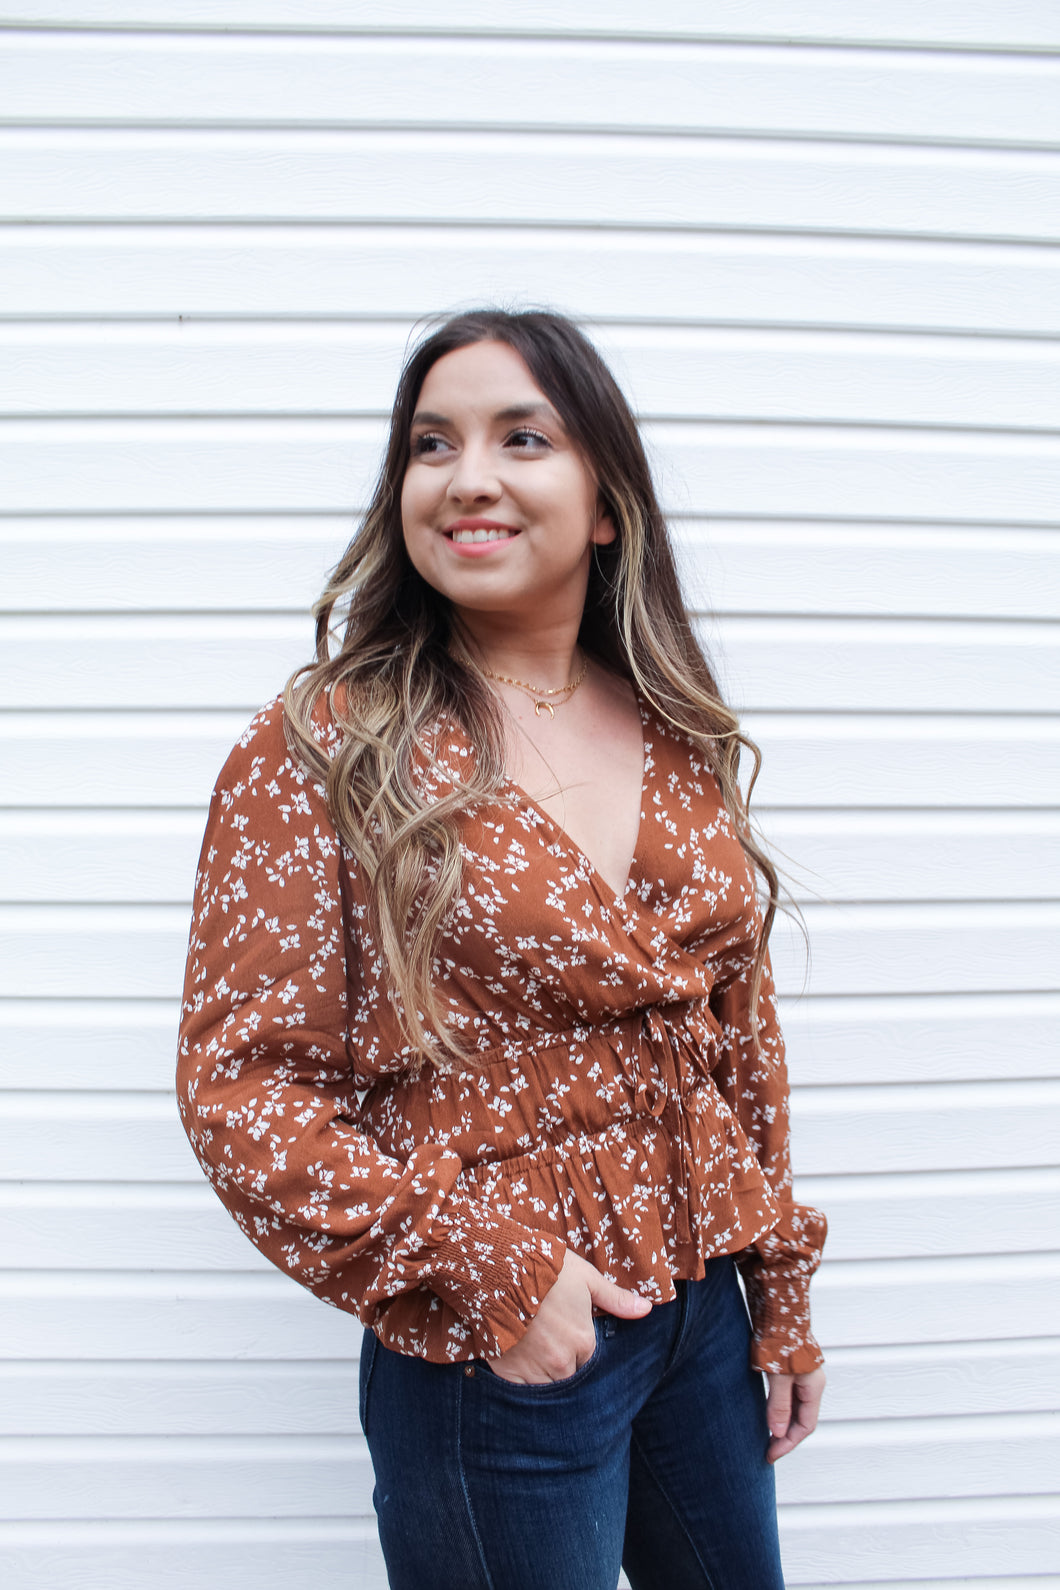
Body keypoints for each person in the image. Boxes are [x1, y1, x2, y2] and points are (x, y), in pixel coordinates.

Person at [177, 308, 827, 1590]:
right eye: (432, 443)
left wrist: (778, 1290)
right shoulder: (322, 743)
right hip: (500, 1338)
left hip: (702, 1309)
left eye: (520, 436)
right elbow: (241, 1085)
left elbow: (733, 1034)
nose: (468, 474)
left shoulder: (674, 725)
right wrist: (498, 1271)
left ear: (602, 503)